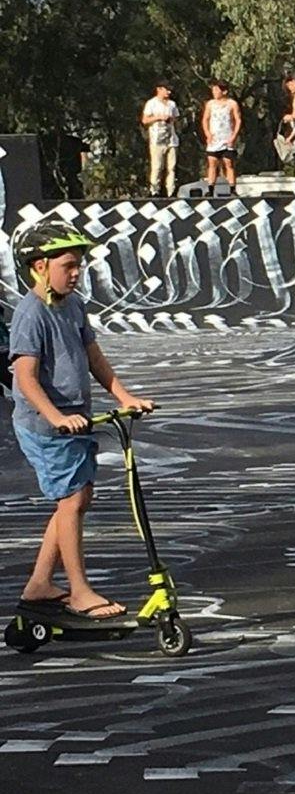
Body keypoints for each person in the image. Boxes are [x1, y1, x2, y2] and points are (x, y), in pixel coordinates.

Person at [9, 221, 153, 621]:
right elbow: (25, 377)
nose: (76, 273)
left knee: (77, 498)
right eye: (68, 265)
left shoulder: (72, 305)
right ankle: (79, 590)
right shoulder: (31, 313)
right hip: (45, 426)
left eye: (80, 265)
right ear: (39, 266)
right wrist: (57, 417)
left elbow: (94, 357)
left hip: (75, 420)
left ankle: (40, 584)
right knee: (71, 501)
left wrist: (125, 397)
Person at [200, 79, 242, 193]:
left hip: (227, 138)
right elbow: (205, 119)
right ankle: (210, 188)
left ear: (224, 91)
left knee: (228, 163)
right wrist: (207, 134)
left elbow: (238, 120)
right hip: (214, 139)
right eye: (213, 90)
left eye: (216, 90)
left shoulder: (232, 104)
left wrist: (233, 136)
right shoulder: (210, 104)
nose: (214, 92)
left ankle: (232, 189)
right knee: (212, 163)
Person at [141, 82, 179, 198]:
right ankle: (154, 191)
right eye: (166, 90)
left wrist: (170, 119)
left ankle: (171, 191)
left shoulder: (172, 104)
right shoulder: (151, 103)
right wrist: (158, 118)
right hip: (157, 140)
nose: (169, 92)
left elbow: (176, 119)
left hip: (171, 140)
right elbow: (145, 120)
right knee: (157, 167)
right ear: (159, 89)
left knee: (171, 167)